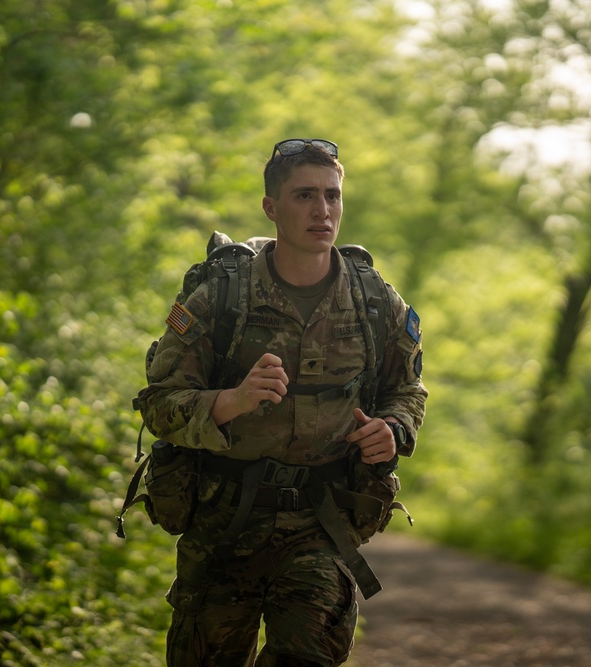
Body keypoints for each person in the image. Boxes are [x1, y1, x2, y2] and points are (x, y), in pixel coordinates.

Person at [136, 138, 428, 667]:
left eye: (332, 196)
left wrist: (393, 429)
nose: (322, 210)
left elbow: (407, 390)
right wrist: (230, 401)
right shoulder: (220, 299)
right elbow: (158, 404)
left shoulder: (375, 301)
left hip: (321, 523)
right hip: (223, 525)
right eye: (304, 196)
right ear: (271, 207)